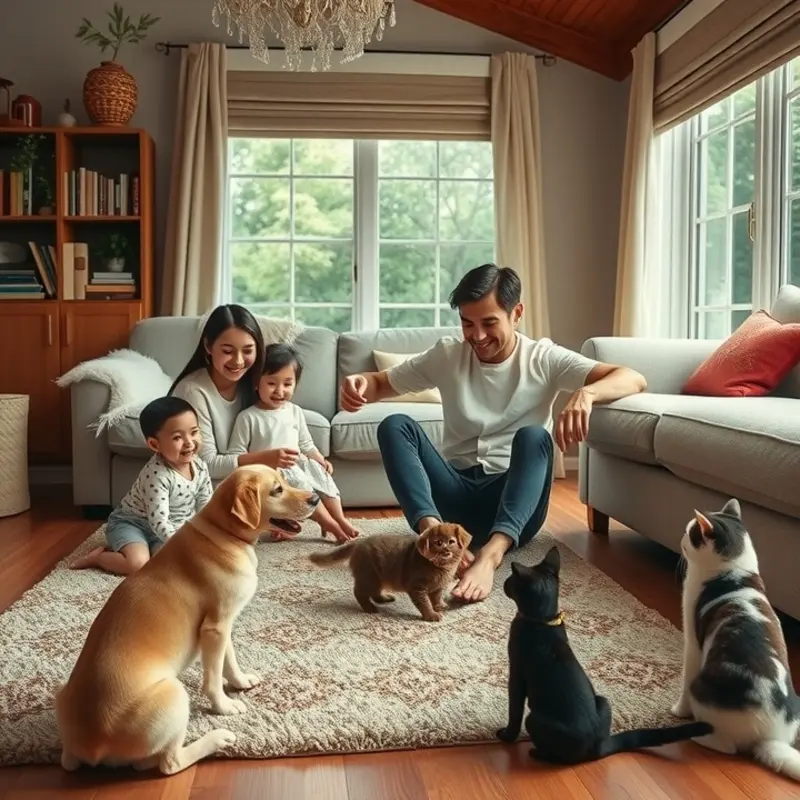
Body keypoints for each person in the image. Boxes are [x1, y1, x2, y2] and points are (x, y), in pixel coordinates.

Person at [339, 263, 647, 603]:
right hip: (453, 501)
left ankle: (491, 554)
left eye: (489, 323)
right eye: (467, 324)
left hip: (513, 505)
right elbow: (380, 383)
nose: (478, 336)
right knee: (395, 425)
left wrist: (586, 394)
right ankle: (431, 533)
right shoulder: (447, 355)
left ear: (517, 314)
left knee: (535, 436)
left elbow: (632, 377)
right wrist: (359, 383)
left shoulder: (543, 357)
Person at [228, 343, 360, 543]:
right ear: (256, 383)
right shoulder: (248, 417)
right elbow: (236, 454)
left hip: (297, 463)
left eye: (287, 384)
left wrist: (319, 460)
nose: (280, 391)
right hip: (272, 473)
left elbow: (306, 444)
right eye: (271, 383)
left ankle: (340, 518)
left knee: (320, 473)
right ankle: (328, 523)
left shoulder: (294, 411)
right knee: (299, 481)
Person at [71, 396, 213, 575]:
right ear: (155, 444)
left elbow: (207, 504)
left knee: (174, 565)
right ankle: (99, 557)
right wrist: (182, 544)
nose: (189, 442)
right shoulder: (157, 476)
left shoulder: (200, 466)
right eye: (177, 437)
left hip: (173, 528)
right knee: (137, 565)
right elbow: (159, 521)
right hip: (133, 524)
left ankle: (148, 549)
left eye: (194, 432)